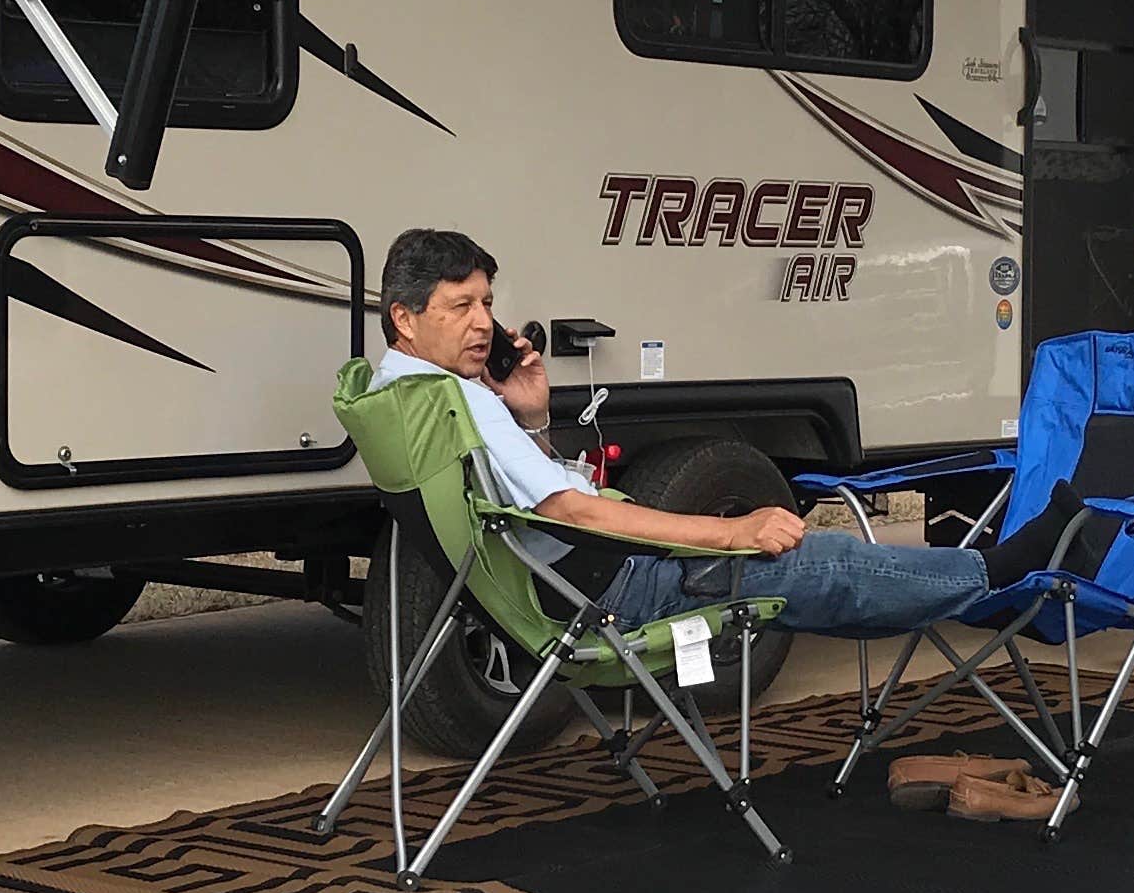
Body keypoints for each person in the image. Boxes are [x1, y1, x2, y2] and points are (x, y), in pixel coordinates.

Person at [366, 227, 988, 637]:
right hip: (608, 592)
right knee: (816, 565)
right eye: (461, 307)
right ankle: (999, 578)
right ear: (405, 317)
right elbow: (571, 512)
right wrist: (730, 531)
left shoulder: (394, 396)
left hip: (549, 594)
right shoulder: (455, 402)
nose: (484, 325)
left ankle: (984, 578)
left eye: (488, 304)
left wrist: (531, 417)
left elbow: (520, 500)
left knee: (817, 574)